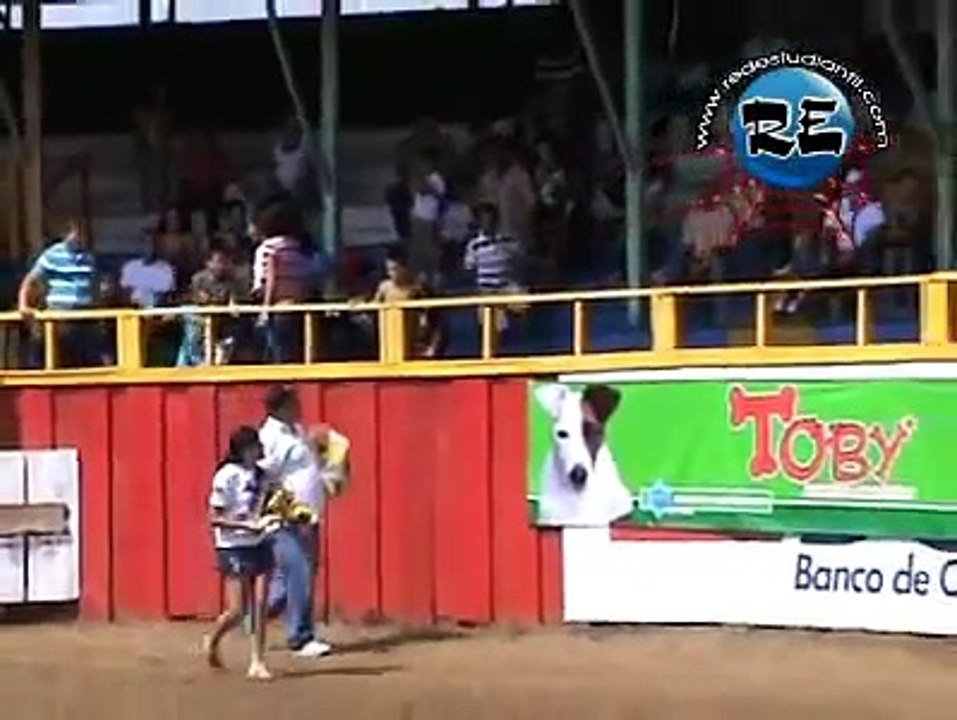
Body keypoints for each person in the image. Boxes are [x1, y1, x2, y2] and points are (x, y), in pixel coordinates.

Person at [258, 385, 331, 659]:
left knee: (287, 576)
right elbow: (265, 473)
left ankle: (252, 617)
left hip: (308, 512)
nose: (300, 405)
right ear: (281, 406)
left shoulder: (296, 430)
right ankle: (300, 636)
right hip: (289, 514)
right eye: (294, 402)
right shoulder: (271, 437)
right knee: (299, 570)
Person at [204, 425, 274, 681]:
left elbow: (270, 504)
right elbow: (214, 517)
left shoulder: (264, 476)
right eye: (255, 445)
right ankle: (212, 640)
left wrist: (275, 518)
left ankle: (258, 660)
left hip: (260, 542)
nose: (259, 449)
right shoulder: (226, 476)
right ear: (244, 449)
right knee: (236, 610)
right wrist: (245, 525)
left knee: (260, 603)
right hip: (233, 546)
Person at [17, 219, 100, 368]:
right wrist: (23, 305)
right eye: (76, 233)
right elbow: (29, 281)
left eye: (83, 234)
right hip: (61, 312)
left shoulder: (88, 258)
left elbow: (93, 284)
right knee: (60, 355)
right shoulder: (52, 255)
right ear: (66, 235)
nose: (80, 237)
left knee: (88, 359)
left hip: (85, 314)